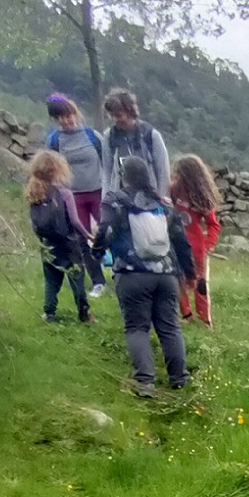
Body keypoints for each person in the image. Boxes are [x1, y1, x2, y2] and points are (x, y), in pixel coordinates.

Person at [92, 156, 195, 398]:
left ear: (123, 176)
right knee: (170, 327)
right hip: (166, 275)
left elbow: (105, 230)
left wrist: (97, 252)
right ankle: (180, 379)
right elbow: (181, 240)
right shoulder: (163, 203)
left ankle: (145, 382)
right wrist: (190, 272)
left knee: (137, 328)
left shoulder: (116, 201)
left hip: (132, 274)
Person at [44, 92, 108, 294]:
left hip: (98, 191)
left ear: (76, 113)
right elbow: (51, 170)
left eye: (69, 115)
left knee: (108, 231)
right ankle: (98, 281)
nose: (66, 120)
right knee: (82, 239)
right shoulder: (54, 141)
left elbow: (107, 163)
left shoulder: (93, 137)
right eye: (61, 117)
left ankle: (119, 270)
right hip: (73, 196)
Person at [25, 150, 92, 325]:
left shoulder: (35, 192)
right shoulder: (64, 193)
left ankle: (49, 313)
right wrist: (87, 235)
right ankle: (84, 313)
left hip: (48, 244)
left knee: (51, 281)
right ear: (57, 170)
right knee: (77, 278)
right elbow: (75, 221)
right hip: (68, 243)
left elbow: (34, 223)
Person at [170, 154, 222, 325]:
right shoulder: (174, 190)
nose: (176, 175)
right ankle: (187, 316)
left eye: (179, 173)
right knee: (179, 279)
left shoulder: (200, 196)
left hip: (197, 248)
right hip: (176, 245)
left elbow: (213, 224)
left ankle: (205, 319)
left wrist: (208, 244)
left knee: (200, 284)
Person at [99, 88, 171, 201]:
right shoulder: (109, 137)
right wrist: (106, 201)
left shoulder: (151, 135)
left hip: (149, 200)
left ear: (130, 111)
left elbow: (163, 172)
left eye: (118, 115)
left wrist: (162, 199)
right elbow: (107, 173)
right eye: (111, 115)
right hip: (122, 201)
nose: (114, 119)